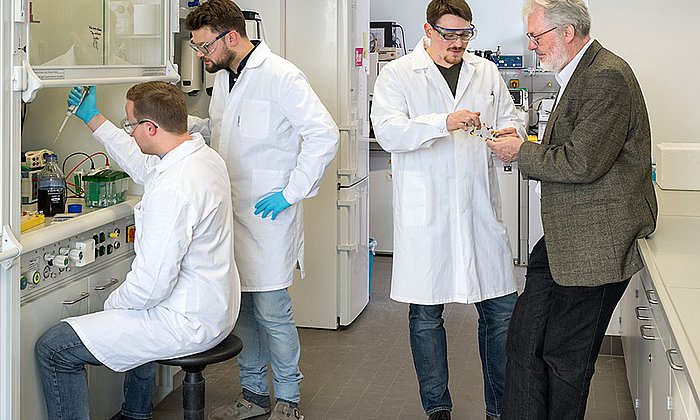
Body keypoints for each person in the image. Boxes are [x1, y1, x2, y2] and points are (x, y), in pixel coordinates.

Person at [486, 1, 658, 419]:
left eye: (536, 36)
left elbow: (581, 163)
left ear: (566, 33)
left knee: (566, 359)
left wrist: (521, 151)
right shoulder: (578, 73)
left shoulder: (607, 77)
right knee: (524, 342)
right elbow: (572, 150)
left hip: (597, 245)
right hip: (566, 237)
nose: (531, 45)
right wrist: (526, 144)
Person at [35, 81, 241, 420]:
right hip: (215, 307)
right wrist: (93, 118)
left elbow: (151, 286)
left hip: (187, 321)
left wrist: (110, 308)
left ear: (151, 127)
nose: (129, 133)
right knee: (134, 316)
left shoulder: (175, 187)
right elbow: (144, 164)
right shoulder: (201, 157)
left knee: (55, 347)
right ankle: (135, 413)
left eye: (131, 125)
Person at [370, 1, 526, 419]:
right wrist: (444, 121)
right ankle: (437, 409)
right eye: (450, 34)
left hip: (478, 210)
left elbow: (512, 118)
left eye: (465, 34)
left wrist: (511, 132)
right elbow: (387, 132)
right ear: (428, 29)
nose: (458, 43)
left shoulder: (485, 72)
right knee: (426, 316)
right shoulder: (398, 74)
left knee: (501, 312)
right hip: (428, 216)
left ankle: (499, 409)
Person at [184, 1, 340, 419]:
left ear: (230, 37)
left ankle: (288, 400)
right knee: (243, 311)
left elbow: (323, 135)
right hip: (230, 215)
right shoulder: (226, 80)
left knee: (273, 312)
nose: (201, 56)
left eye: (203, 46)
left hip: (270, 216)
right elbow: (225, 131)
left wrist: (291, 193)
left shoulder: (281, 75)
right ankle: (253, 396)